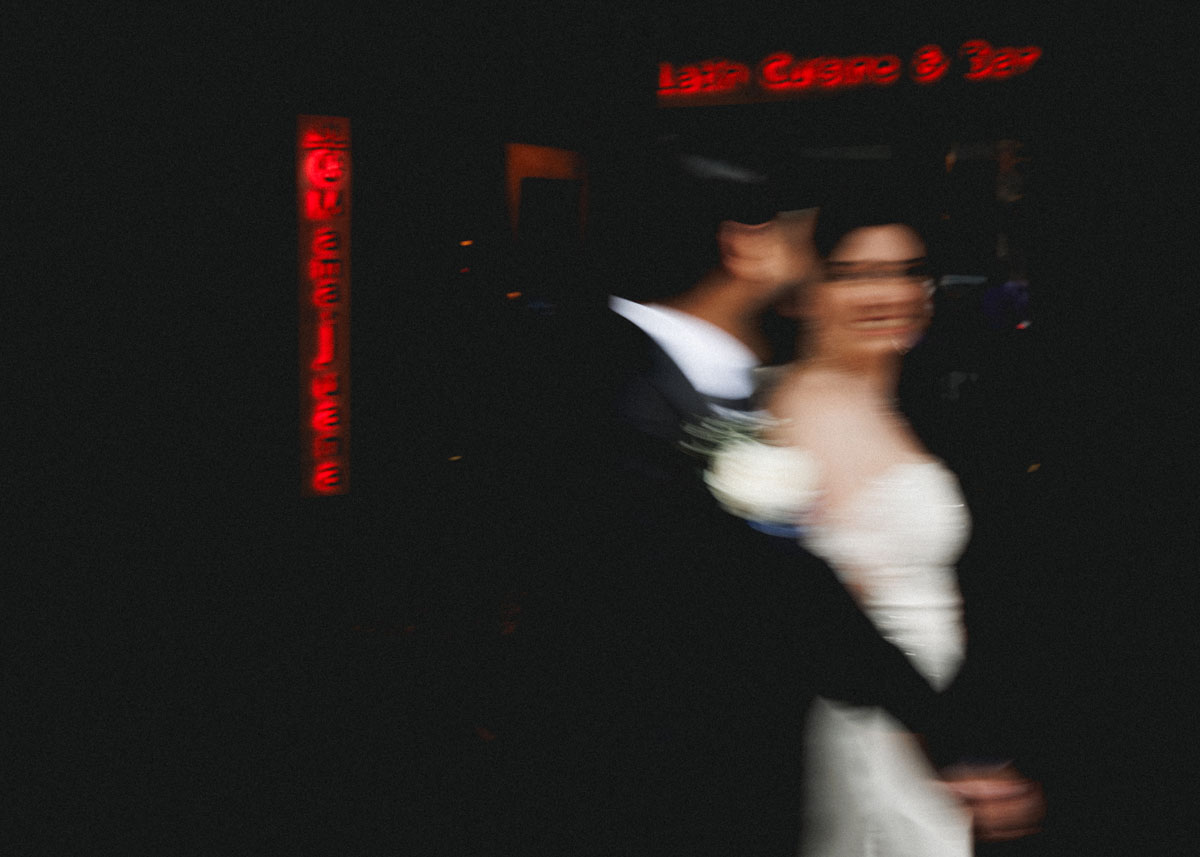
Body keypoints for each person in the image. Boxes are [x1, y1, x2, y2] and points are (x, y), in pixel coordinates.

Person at [507, 141, 1043, 857]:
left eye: (909, 272)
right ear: (743, 245)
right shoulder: (649, 402)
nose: (806, 247)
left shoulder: (688, 383)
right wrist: (952, 744)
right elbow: (795, 590)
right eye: (801, 233)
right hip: (677, 776)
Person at [765, 195, 1019, 855]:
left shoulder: (895, 401)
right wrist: (949, 745)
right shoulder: (806, 407)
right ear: (808, 292)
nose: (892, 291)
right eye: (857, 273)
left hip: (933, 712)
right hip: (882, 723)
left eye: (907, 270)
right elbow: (831, 615)